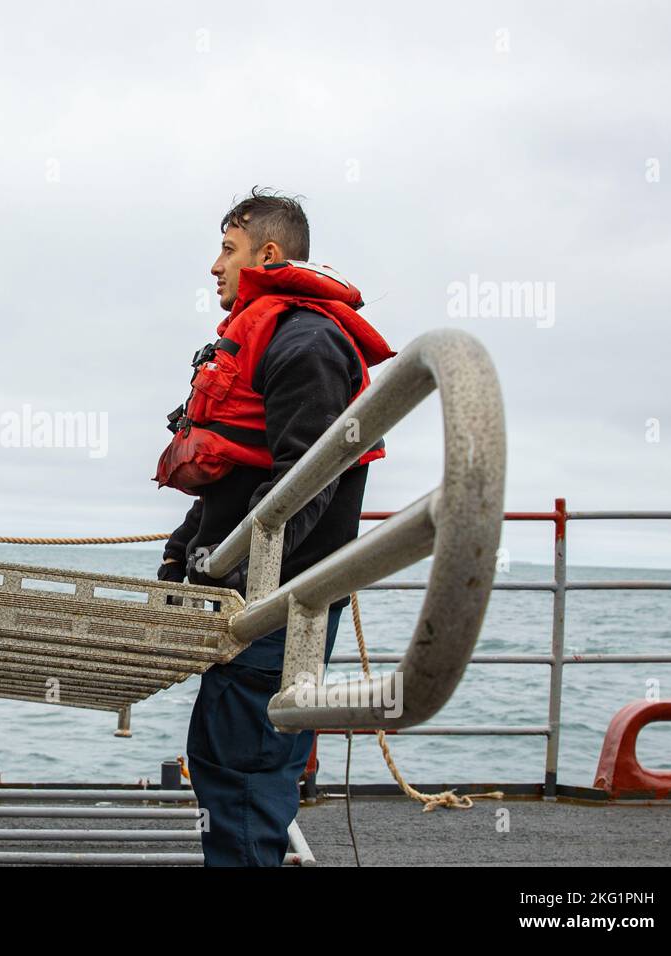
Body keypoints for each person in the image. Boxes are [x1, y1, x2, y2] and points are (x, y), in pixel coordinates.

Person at [154, 188, 395, 866]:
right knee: (222, 764)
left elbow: (303, 486)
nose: (214, 267)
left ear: (267, 253)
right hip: (247, 599)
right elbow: (238, 480)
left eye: (226, 250)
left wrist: (237, 581)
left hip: (277, 607)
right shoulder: (268, 337)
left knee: (247, 780)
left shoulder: (306, 341)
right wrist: (183, 559)